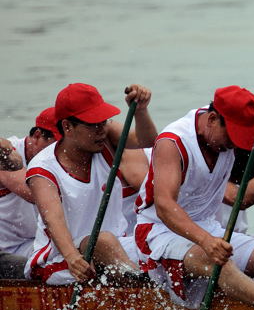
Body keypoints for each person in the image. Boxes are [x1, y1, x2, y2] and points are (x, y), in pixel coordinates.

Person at [134, 86, 254, 310]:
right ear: (213, 119)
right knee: (216, 260)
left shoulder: (228, 125)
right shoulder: (173, 143)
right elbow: (165, 206)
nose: (232, 145)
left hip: (210, 228)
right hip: (159, 233)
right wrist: (206, 241)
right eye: (231, 136)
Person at [24, 84, 153, 284]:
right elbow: (54, 220)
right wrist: (73, 258)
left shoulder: (106, 138)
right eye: (93, 124)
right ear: (67, 127)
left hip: (116, 248)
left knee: (160, 246)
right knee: (103, 241)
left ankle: (139, 282)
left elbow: (148, 139)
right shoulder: (42, 169)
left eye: (103, 121)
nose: (101, 130)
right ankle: (141, 288)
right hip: (63, 259)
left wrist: (141, 111)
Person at [0, 108, 61, 277]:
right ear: (37, 136)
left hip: (32, 243)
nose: (61, 150)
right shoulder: (8, 158)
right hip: (8, 250)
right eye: (56, 143)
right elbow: (38, 196)